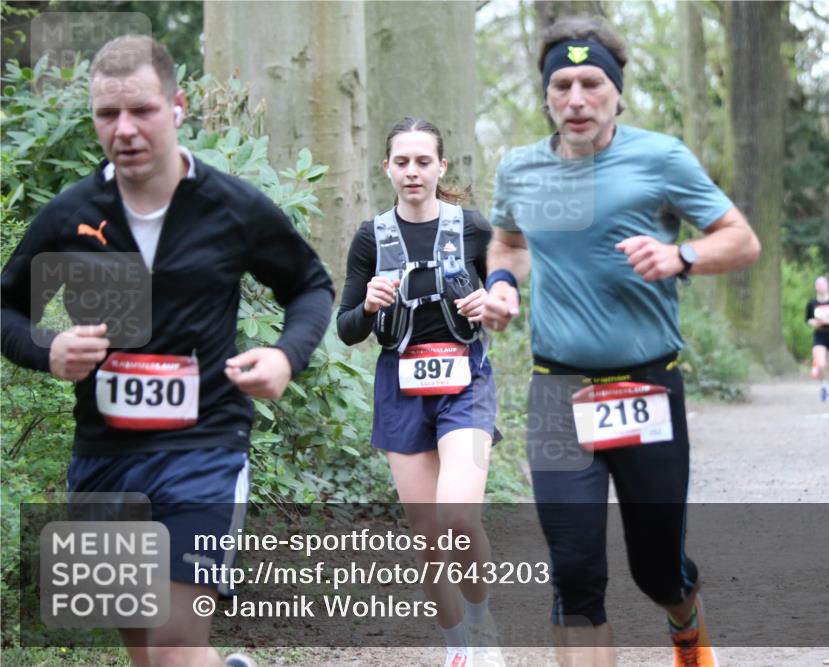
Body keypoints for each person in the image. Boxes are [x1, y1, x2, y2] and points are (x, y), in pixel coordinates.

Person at [0, 36, 333, 667]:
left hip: (204, 447)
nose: (124, 129)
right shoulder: (72, 215)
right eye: (107, 114)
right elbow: (7, 308)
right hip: (104, 455)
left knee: (176, 641)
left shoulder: (230, 207)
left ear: (177, 106)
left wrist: (286, 356)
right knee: (148, 653)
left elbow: (310, 287)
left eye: (142, 110)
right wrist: (47, 348)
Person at [480, 16, 760, 667]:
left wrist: (681, 255)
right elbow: (509, 244)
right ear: (546, 95)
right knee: (574, 571)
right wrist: (502, 284)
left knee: (658, 568)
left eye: (592, 83)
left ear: (617, 91)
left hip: (646, 385)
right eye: (563, 85)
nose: (577, 99)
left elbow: (741, 240)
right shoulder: (520, 169)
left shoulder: (660, 158)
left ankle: (686, 626)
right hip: (558, 390)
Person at [336, 117, 503, 667]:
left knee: (459, 520)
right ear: (387, 168)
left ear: (441, 167)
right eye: (402, 162)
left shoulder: (472, 229)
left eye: (423, 162)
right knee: (428, 533)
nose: (413, 172)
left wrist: (489, 303)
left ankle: (482, 624)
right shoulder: (371, 237)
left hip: (466, 383)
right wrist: (369, 306)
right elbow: (347, 328)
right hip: (401, 388)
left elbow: (507, 296)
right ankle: (458, 649)